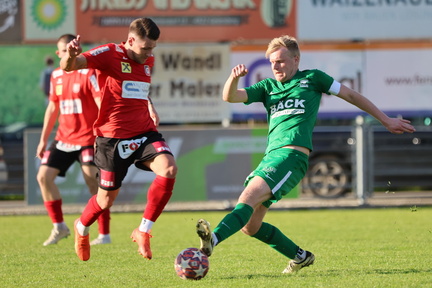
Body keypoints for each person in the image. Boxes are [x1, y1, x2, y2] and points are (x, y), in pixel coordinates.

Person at [196, 35, 416, 274]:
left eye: (280, 61)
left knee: (247, 197)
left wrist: (385, 120)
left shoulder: (313, 78)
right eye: (272, 62)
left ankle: (213, 240)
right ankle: (300, 257)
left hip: (292, 157)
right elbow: (230, 96)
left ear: (296, 59)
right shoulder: (267, 87)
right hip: (271, 156)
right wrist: (233, 78)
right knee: (251, 226)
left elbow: (351, 95)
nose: (276, 66)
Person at [60, 18, 177, 262]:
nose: (149, 54)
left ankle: (143, 230)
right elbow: (70, 66)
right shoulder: (109, 53)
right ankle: (81, 227)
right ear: (131, 40)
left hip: (144, 132)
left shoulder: (147, 59)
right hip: (111, 139)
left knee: (168, 168)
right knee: (105, 200)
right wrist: (71, 55)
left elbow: (139, 89)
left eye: (152, 48)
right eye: (145, 48)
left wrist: (150, 105)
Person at [36, 34, 111, 247]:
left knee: (93, 182)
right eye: (64, 51)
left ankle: (104, 234)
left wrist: (102, 135)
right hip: (63, 138)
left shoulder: (88, 73)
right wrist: (43, 139)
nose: (68, 53)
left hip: (88, 138)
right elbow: (52, 108)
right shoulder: (56, 75)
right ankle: (59, 227)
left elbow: (100, 102)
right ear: (58, 54)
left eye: (72, 50)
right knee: (43, 177)